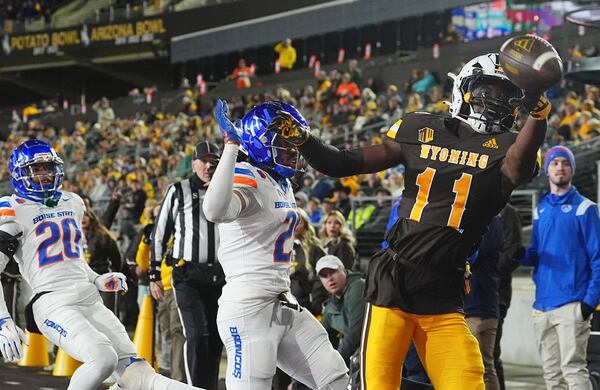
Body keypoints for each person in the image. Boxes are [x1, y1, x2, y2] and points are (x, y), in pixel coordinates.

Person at [268, 51, 554, 388]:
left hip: (444, 292)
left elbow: (520, 166)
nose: (495, 101)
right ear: (463, 88)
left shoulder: (508, 146)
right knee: (378, 383)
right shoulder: (420, 127)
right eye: (488, 90)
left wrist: (539, 111)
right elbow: (345, 163)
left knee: (467, 380)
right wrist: (305, 140)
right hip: (394, 282)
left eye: (506, 95)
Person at [0, 139, 201, 390]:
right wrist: (3, 320)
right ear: (19, 173)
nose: (44, 175)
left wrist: (96, 278)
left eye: (48, 168)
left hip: (88, 296)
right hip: (52, 301)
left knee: (137, 373)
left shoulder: (71, 202)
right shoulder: (13, 208)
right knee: (103, 359)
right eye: (36, 169)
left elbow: (71, 259)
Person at [203, 100, 349, 390]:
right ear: (259, 141)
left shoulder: (280, 182)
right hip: (249, 307)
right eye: (284, 142)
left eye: (293, 141)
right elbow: (214, 211)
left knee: (336, 379)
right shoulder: (248, 174)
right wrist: (231, 146)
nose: (292, 149)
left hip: (284, 304)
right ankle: (147, 382)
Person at [518, 145, 600, 389]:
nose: (560, 167)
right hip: (542, 305)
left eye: (565, 163)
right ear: (547, 170)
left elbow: (598, 258)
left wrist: (588, 303)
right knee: (552, 375)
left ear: (572, 170)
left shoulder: (586, 208)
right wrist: (518, 255)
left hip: (572, 304)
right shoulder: (540, 210)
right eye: (555, 163)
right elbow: (537, 253)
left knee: (573, 371)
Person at [150, 142, 224, 390]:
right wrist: (154, 273)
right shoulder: (178, 190)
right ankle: (195, 387)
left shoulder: (227, 190)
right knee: (197, 334)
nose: (209, 166)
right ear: (193, 164)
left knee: (215, 338)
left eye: (214, 162)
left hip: (220, 276)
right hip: (188, 274)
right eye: (203, 161)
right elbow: (160, 233)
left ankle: (209, 386)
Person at [464, 216, 504, 390]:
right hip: (487, 305)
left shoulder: (487, 220)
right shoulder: (495, 220)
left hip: (475, 307)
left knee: (473, 368)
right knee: (487, 367)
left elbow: (472, 258)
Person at [317, 255, 366, 366]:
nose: (329, 278)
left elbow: (355, 334)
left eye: (333, 272)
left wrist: (334, 365)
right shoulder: (332, 303)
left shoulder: (357, 286)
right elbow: (321, 336)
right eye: (324, 276)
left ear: (343, 270)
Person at [494, 203, 523, 390]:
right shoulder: (477, 206)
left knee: (489, 356)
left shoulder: (507, 212)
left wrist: (483, 271)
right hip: (471, 296)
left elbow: (513, 253)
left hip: (495, 296)